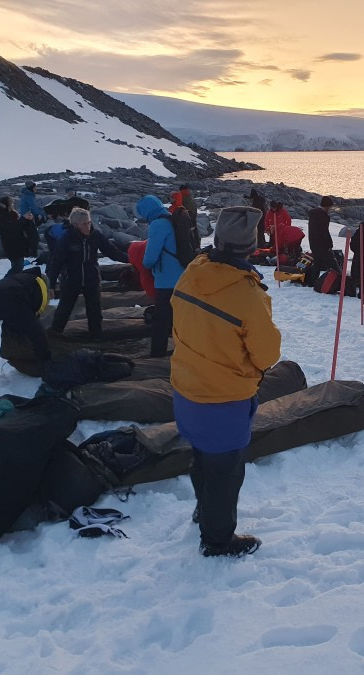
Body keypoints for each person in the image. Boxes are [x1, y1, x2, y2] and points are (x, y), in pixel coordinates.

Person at [170, 205, 281, 558]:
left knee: (201, 457)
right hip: (223, 397)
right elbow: (267, 354)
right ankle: (217, 539)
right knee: (226, 472)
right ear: (251, 246)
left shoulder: (193, 271)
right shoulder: (248, 295)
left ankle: (205, 512)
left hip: (186, 387)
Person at [48, 207, 128, 338]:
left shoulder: (95, 236)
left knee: (95, 312)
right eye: (84, 224)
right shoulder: (67, 238)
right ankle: (55, 335)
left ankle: (95, 337)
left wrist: (131, 259)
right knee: (64, 310)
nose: (88, 226)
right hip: (71, 280)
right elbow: (56, 262)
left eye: (89, 222)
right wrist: (51, 284)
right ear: (75, 225)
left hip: (92, 278)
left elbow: (112, 252)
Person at [0, 267, 52, 382]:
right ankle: (48, 373)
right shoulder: (40, 283)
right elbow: (39, 307)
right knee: (39, 336)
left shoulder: (16, 278)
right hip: (11, 301)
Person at [136, 195, 185, 358]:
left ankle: (157, 357)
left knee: (160, 321)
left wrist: (143, 266)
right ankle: (183, 351)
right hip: (182, 276)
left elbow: (150, 258)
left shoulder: (158, 224)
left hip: (166, 280)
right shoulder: (171, 219)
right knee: (177, 318)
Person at [0, 195, 39, 275]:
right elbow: (12, 228)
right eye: (11, 204)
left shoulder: (12, 214)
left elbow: (20, 227)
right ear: (5, 205)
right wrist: (23, 218)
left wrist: (28, 220)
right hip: (11, 246)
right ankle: (7, 282)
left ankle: (12, 282)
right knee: (17, 267)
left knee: (18, 266)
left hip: (18, 245)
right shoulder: (1, 218)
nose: (13, 205)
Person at [307, 196, 335, 284]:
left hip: (313, 242)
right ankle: (339, 282)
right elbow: (324, 232)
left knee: (317, 263)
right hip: (322, 244)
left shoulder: (313, 214)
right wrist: (329, 244)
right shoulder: (323, 216)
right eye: (329, 207)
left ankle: (312, 281)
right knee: (332, 264)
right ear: (327, 206)